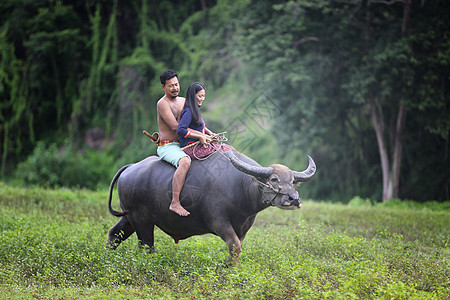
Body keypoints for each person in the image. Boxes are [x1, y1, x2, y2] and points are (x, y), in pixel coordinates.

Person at [156, 70, 211, 216]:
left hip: (185, 143)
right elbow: (177, 128)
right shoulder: (162, 104)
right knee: (185, 161)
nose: (175, 88)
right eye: (170, 86)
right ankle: (175, 202)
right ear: (163, 87)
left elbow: (196, 122)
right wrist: (200, 136)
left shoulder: (183, 101)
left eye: (176, 84)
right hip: (169, 145)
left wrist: (208, 134)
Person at [177, 82, 235, 160]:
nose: (202, 99)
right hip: (192, 148)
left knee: (230, 149)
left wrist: (210, 133)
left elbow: (199, 125)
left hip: (199, 145)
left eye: (203, 96)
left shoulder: (194, 110)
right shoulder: (188, 112)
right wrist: (200, 136)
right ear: (193, 96)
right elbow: (181, 130)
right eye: (200, 96)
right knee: (227, 151)